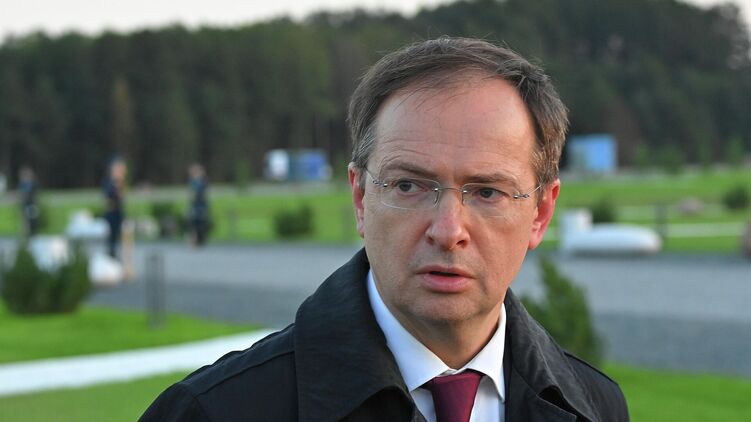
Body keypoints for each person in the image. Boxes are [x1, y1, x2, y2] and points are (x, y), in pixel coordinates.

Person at [142, 37, 628, 421]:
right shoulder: (211, 412)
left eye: (486, 192)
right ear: (360, 198)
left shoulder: (597, 407)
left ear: (540, 213)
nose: (448, 230)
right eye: (409, 186)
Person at [102, 157, 127, 259]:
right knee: (112, 239)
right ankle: (112, 256)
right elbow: (109, 201)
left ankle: (116, 256)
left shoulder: (120, 182)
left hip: (118, 213)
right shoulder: (108, 182)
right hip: (112, 215)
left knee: (119, 237)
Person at [187, 163, 210, 247]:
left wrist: (195, 196)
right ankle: (195, 240)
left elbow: (198, 195)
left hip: (199, 207)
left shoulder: (201, 182)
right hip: (196, 207)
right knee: (194, 224)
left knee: (198, 224)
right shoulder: (194, 181)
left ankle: (197, 241)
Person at [18, 166, 40, 238]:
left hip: (31, 204)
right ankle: (26, 235)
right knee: (25, 221)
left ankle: (32, 234)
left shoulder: (33, 184)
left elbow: (34, 195)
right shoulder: (23, 184)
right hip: (25, 205)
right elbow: (21, 194)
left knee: (31, 220)